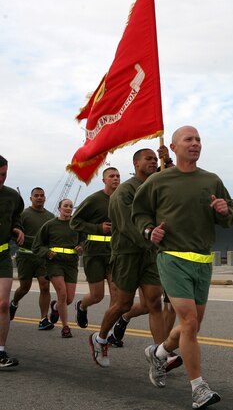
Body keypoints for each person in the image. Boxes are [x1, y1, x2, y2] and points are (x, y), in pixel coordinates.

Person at [132, 126, 233, 409]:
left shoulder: (211, 180)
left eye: (199, 139)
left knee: (193, 326)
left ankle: (160, 351)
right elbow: (138, 213)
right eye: (188, 139)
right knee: (189, 321)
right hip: (172, 258)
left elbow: (229, 216)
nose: (195, 143)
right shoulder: (158, 181)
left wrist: (224, 211)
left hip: (202, 261)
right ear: (174, 148)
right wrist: (148, 231)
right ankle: (198, 388)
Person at [89, 147, 180, 372]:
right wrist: (154, 238)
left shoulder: (155, 186)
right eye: (148, 159)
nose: (153, 162)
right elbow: (130, 227)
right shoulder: (124, 192)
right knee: (123, 304)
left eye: (154, 159)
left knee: (154, 302)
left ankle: (160, 354)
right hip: (127, 254)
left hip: (149, 254)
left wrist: (167, 160)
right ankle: (100, 339)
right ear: (136, 164)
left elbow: (174, 180)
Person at [71, 167, 120, 329]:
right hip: (94, 253)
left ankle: (108, 332)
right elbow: (74, 222)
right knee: (97, 295)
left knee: (116, 293)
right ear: (104, 180)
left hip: (115, 252)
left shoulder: (122, 199)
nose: (115, 178)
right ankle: (82, 306)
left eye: (118, 176)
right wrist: (98, 228)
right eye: (111, 176)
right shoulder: (94, 200)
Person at [32, 198, 81, 338]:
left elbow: (85, 239)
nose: (68, 208)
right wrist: (47, 253)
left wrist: (81, 246)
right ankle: (65, 327)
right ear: (59, 208)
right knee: (62, 294)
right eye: (65, 206)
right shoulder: (49, 225)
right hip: (54, 263)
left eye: (70, 206)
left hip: (71, 264)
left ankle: (55, 307)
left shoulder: (76, 225)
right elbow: (37, 245)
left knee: (69, 299)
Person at [10, 187, 55, 330]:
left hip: (42, 257)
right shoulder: (23, 215)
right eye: (36, 195)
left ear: (45, 198)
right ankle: (14, 303)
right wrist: (33, 241)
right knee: (24, 287)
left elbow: (53, 236)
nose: (39, 198)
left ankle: (44, 319)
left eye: (42, 195)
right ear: (31, 198)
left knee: (44, 286)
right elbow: (14, 234)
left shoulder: (50, 217)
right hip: (25, 256)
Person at [0, 155, 24, 367]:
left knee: (3, 303)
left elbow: (16, 216)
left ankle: (0, 352)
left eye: (4, 175)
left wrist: (17, 228)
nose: (1, 179)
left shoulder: (12, 196)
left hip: (2, 255)